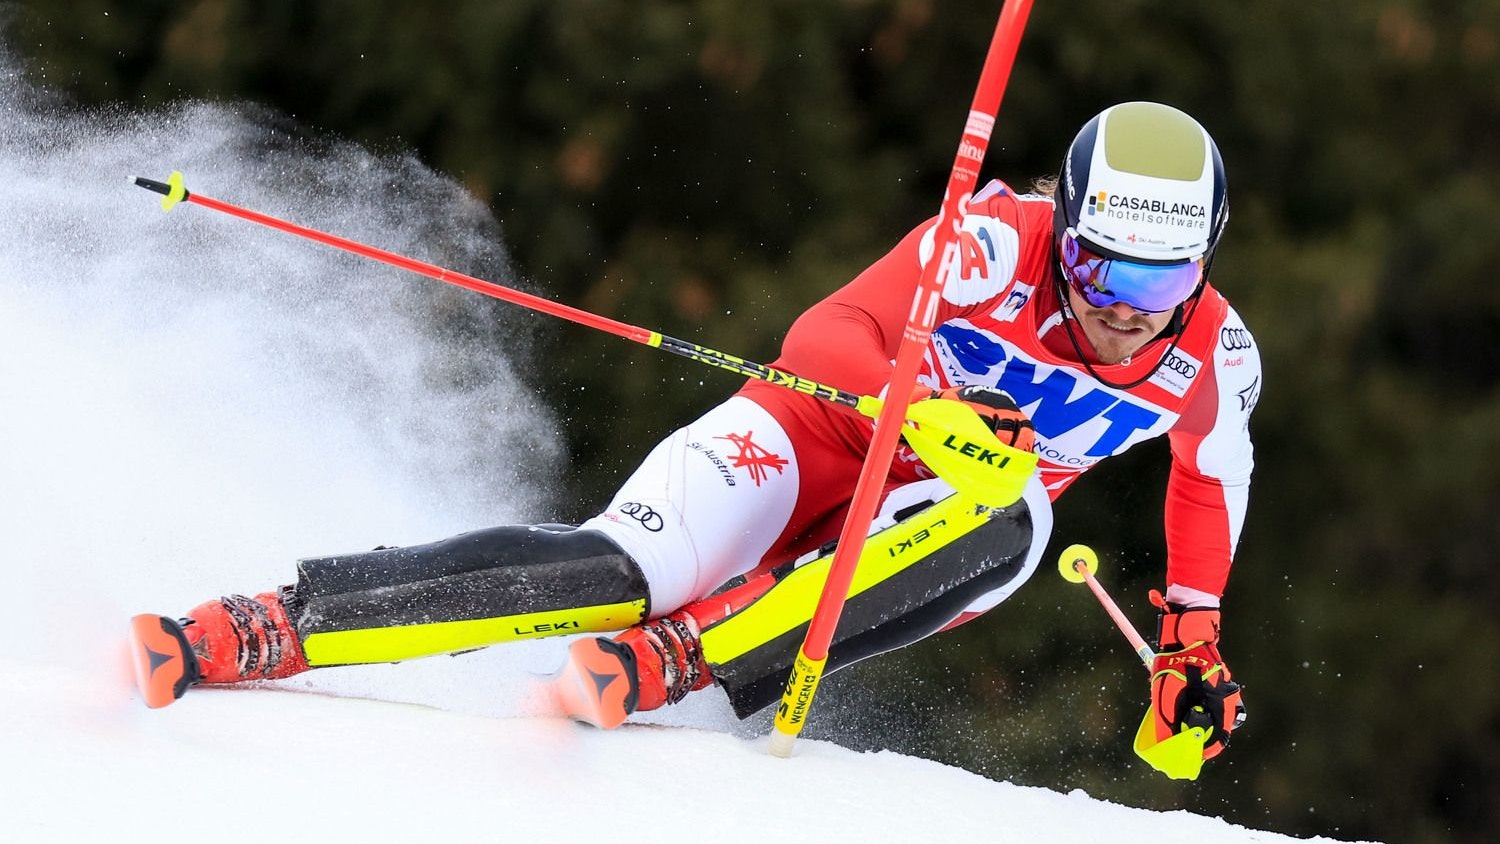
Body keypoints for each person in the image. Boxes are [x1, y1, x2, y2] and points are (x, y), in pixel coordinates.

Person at [130, 101, 1252, 766]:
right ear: (1066, 228)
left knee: (1012, 515)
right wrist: (924, 411)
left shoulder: (1217, 355)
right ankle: (266, 625)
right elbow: (827, 333)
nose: (1127, 306)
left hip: (929, 531)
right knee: (616, 570)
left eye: (1165, 275)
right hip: (810, 437)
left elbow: (1206, 484)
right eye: (1103, 266)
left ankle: (687, 659)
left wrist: (1191, 646)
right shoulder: (998, 243)